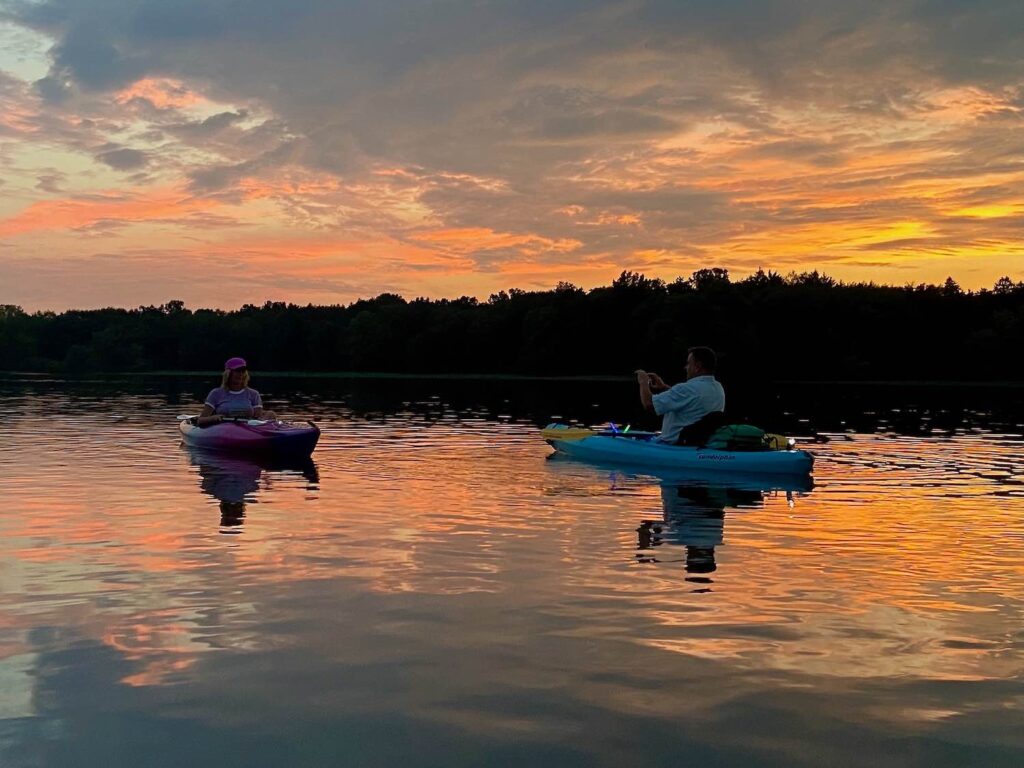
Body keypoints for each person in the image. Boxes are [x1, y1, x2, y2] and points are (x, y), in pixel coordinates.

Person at [635, 346, 725, 444]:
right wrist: (664, 387)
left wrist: (643, 382)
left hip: (673, 445)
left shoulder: (687, 388)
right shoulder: (718, 388)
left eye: (688, 363)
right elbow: (689, 398)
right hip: (699, 443)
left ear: (698, 367)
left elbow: (649, 404)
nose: (686, 367)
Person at [195, 357, 277, 426]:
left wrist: (267, 416)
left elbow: (258, 418)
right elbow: (200, 420)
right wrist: (212, 418)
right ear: (228, 373)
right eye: (237, 371)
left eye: (243, 371)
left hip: (247, 428)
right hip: (223, 428)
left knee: (270, 414)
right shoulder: (216, 393)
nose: (240, 374)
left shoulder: (253, 394)